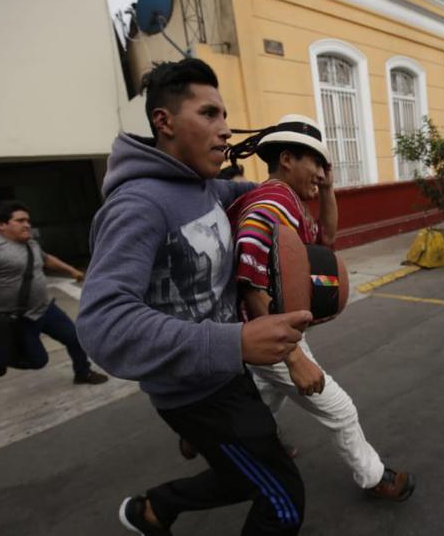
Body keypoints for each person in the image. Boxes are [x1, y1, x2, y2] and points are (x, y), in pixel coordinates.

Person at [76, 58, 312, 535]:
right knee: (284, 498)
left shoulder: (202, 186)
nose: (224, 130)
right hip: (193, 393)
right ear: (164, 122)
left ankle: (154, 509)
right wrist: (234, 343)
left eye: (224, 116)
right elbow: (103, 325)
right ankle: (156, 506)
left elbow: (253, 192)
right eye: (209, 115)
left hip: (225, 373)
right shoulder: (138, 206)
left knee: (244, 474)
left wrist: (297, 186)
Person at [225, 114, 416, 502]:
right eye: (316, 162)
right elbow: (250, 283)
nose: (322, 171)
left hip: (268, 334)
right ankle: (375, 476)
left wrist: (328, 189)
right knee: (339, 409)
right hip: (270, 332)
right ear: (288, 159)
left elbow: (325, 238)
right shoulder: (270, 203)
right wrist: (294, 356)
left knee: (266, 395)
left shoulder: (289, 201)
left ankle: (219, 438)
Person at [0, 201, 108, 385]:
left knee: (76, 338)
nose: (27, 225)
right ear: (1, 225)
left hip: (44, 309)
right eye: (20, 221)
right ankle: (2, 354)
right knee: (38, 361)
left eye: (28, 221)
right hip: (16, 318)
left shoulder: (29, 243)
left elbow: (46, 259)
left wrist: (72, 271)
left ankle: (83, 373)